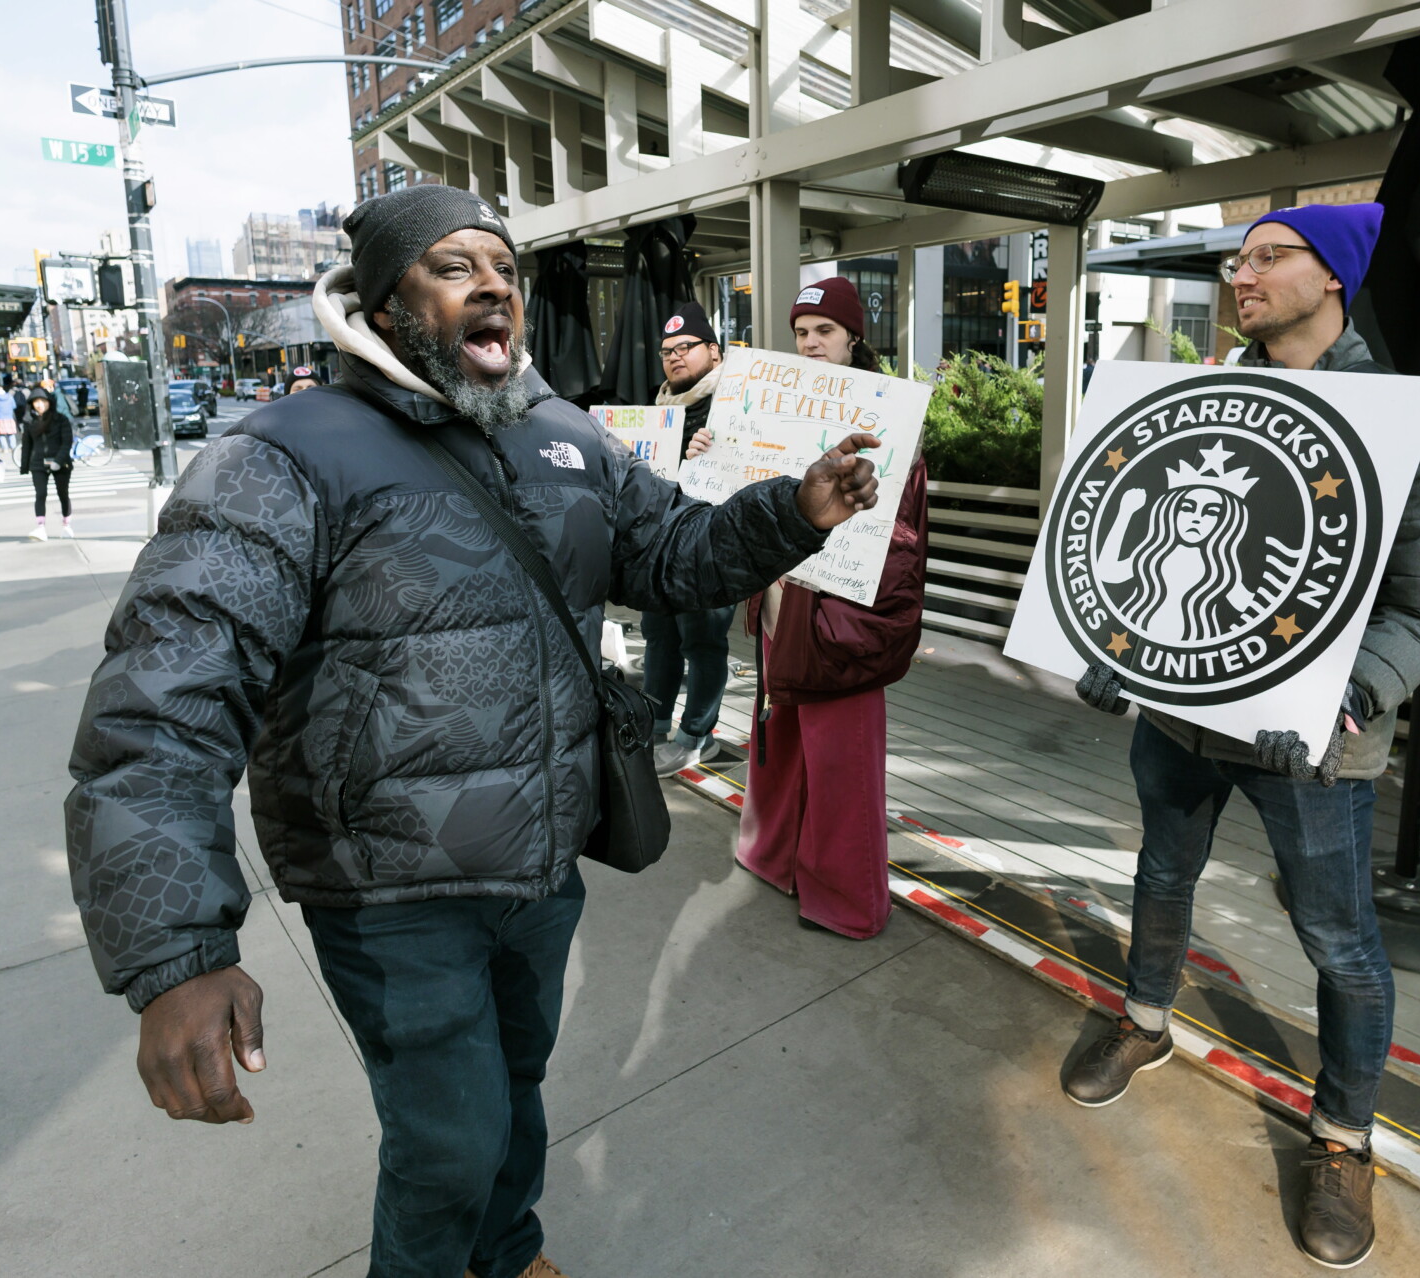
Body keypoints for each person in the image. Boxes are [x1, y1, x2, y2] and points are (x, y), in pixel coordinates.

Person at [64, 184, 882, 1278]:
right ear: (383, 300)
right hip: (389, 893)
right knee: (448, 1146)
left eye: (505, 268)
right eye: (455, 267)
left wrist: (795, 511)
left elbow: (673, 552)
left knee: (517, 1091)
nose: (494, 284)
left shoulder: (565, 435)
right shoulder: (280, 457)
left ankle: (509, 1254)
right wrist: (174, 955)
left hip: (540, 868)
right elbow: (160, 705)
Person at [1063, 203, 1420, 1270]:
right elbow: (1136, 552)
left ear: (1332, 277)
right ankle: (1146, 1019)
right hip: (1178, 721)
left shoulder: (1419, 426)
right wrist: (1116, 647)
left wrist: (1346, 702)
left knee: (1340, 943)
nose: (1239, 275)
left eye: (1267, 257)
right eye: (1235, 259)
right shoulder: (1201, 401)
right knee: (1162, 874)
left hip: (1314, 747)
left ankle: (1343, 1138)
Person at [725, 276, 927, 939]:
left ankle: (848, 900)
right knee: (780, 741)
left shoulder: (892, 419)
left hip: (841, 614)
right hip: (784, 598)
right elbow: (742, 493)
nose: (810, 344)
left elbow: (899, 540)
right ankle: (774, 857)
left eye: (825, 331)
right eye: (802, 332)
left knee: (844, 764)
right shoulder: (777, 407)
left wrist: (858, 626)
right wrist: (711, 456)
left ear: (853, 338)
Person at [645, 301, 733, 775]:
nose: (675, 357)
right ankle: (653, 725)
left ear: (714, 353)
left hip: (711, 545)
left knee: (702, 640)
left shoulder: (735, 403)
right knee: (658, 635)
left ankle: (698, 736)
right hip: (659, 544)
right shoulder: (657, 409)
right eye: (666, 351)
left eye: (686, 347)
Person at [20, 388, 75, 540]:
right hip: (38, 463)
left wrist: (58, 460)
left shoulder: (61, 419)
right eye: (36, 402)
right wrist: (24, 466)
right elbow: (27, 445)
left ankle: (66, 525)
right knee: (40, 494)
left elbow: (67, 442)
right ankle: (40, 528)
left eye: (43, 401)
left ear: (49, 402)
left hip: (60, 462)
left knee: (63, 494)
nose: (40, 405)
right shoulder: (29, 421)